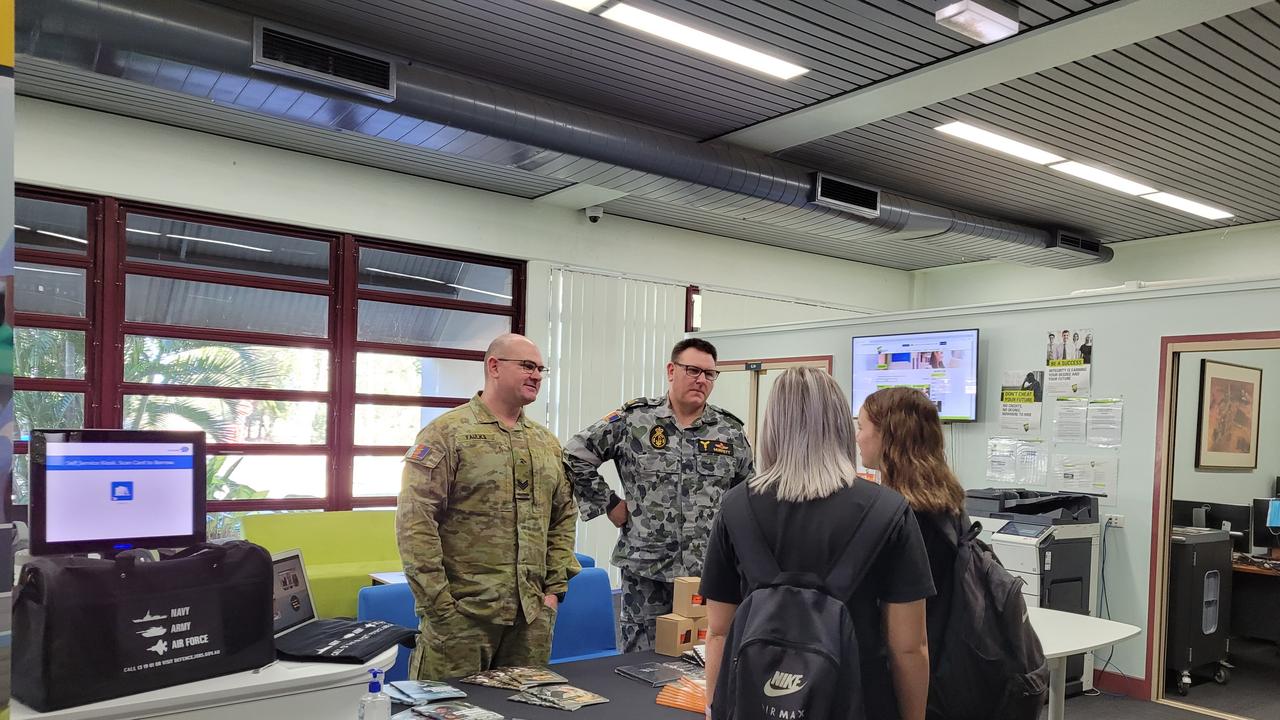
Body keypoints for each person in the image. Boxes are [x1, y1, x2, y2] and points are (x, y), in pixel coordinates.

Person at [702, 368, 933, 720]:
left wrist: (715, 708)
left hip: (755, 701)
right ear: (841, 424)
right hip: (861, 702)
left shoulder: (735, 507)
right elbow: (909, 648)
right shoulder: (889, 510)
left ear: (773, 426)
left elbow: (718, 632)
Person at [396, 333, 580, 679]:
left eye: (541, 368)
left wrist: (553, 593)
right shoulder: (447, 434)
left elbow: (563, 516)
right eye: (527, 366)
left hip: (530, 620)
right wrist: (440, 608)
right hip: (462, 619)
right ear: (494, 367)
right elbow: (414, 525)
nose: (537, 375)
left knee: (521, 710)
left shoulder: (545, 442)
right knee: (446, 713)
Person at [564, 338, 753, 652]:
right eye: (693, 370)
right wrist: (609, 503)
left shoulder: (729, 431)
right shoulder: (634, 420)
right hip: (645, 570)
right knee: (639, 663)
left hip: (706, 573)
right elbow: (574, 455)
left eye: (710, 374)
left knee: (701, 659)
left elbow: (748, 495)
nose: (701, 380)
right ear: (671, 370)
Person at [857, 387, 969, 720]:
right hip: (946, 661)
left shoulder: (899, 515)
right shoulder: (947, 502)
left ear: (888, 437)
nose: (857, 437)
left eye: (862, 427)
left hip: (908, 673)